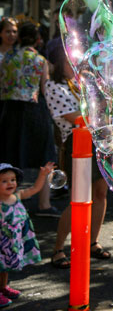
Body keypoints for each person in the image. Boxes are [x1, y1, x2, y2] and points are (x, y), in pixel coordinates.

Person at [45, 50, 111, 269]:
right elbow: (73, 117)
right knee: (78, 199)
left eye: (77, 61)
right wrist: (104, 115)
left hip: (98, 140)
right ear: (59, 63)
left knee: (100, 193)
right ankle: (58, 249)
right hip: (76, 145)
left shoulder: (84, 84)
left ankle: (92, 242)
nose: (74, 65)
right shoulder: (54, 87)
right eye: (69, 62)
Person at [0, 23, 59, 217]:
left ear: (19, 38)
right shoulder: (39, 60)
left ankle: (9, 201)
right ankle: (44, 203)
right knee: (45, 156)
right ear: (37, 39)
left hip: (9, 111)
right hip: (34, 111)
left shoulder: (7, 57)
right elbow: (45, 89)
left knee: (11, 155)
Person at [0, 161, 55, 306]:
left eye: (12, 180)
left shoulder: (17, 195)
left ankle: (3, 287)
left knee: (5, 267)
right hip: (2, 241)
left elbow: (36, 188)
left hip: (13, 241)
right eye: (4, 181)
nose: (10, 183)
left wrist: (43, 174)